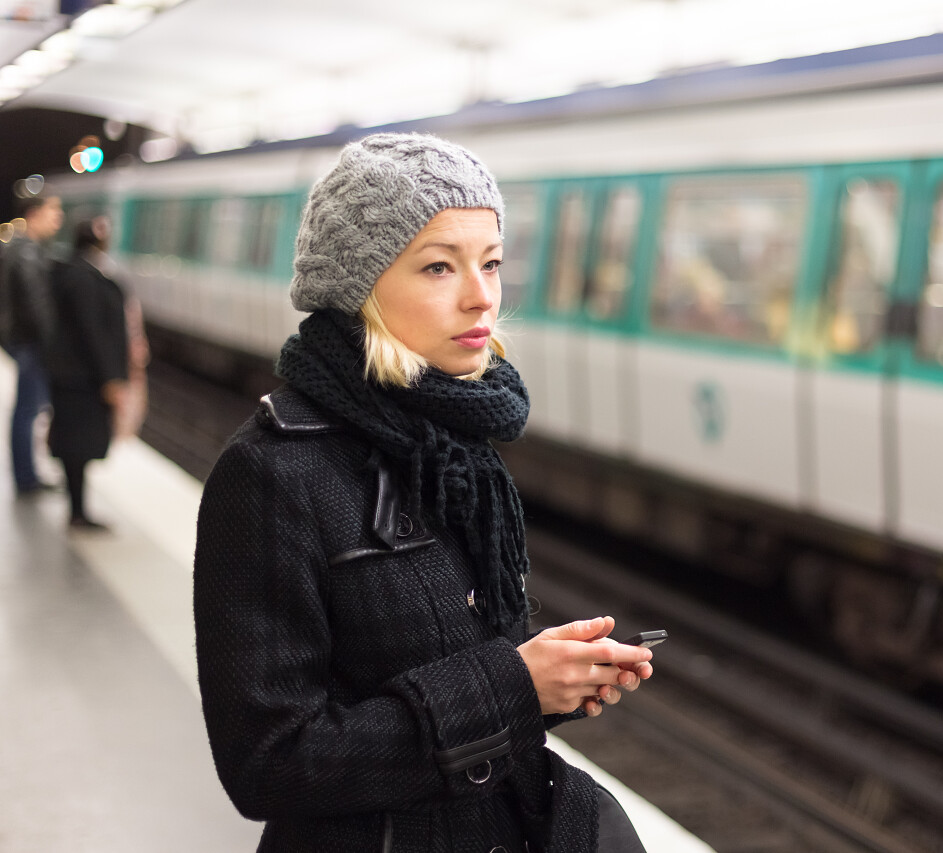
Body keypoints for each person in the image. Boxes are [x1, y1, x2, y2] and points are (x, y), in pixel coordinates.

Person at [194, 133, 654, 853]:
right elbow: (268, 764)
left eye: (492, 263)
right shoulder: (272, 474)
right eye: (439, 266)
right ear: (359, 284)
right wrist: (511, 685)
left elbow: (460, 682)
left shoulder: (457, 452)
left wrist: (549, 681)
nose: (483, 296)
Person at [45, 216, 130, 530]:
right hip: (81, 379)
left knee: (74, 444)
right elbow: (91, 331)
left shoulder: (75, 271)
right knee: (78, 445)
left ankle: (78, 508)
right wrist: (110, 377)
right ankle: (78, 512)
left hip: (73, 376)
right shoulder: (83, 277)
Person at [0, 194, 63, 495]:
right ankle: (26, 478)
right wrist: (54, 344)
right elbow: (36, 305)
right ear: (35, 213)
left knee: (26, 409)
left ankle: (27, 474)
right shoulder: (26, 252)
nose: (58, 217)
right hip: (29, 342)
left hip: (21, 340)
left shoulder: (24, 249)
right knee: (26, 411)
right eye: (54, 210)